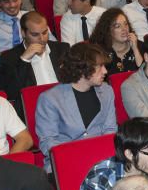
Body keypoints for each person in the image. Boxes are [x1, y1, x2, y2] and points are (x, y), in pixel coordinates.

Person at [35, 43, 118, 172]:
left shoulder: (106, 91)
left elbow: (110, 130)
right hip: (65, 162)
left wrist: (98, 157)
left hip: (101, 160)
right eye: (100, 66)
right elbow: (48, 142)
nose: (105, 71)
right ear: (83, 69)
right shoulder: (50, 99)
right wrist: (80, 156)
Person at [0, 11, 67, 104]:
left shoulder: (62, 49)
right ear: (23, 33)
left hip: (64, 101)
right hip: (34, 105)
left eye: (45, 32)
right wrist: (24, 60)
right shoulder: (9, 58)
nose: (42, 38)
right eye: (35, 34)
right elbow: (11, 94)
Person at [89, 8, 143, 76]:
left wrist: (135, 49)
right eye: (118, 26)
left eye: (126, 24)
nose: (124, 29)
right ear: (108, 30)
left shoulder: (139, 46)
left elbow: (145, 75)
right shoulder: (100, 51)